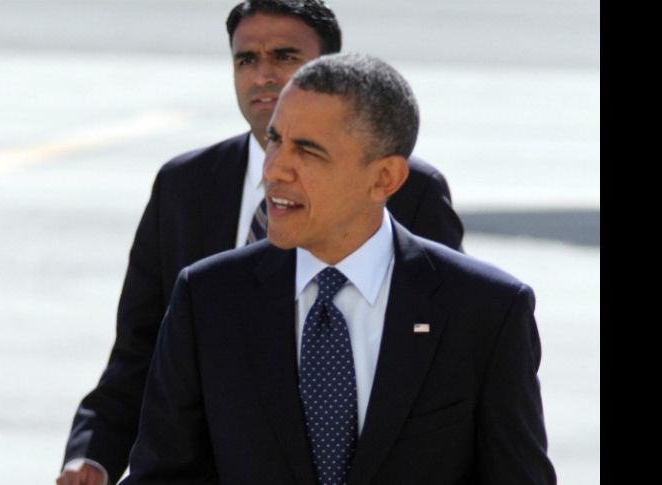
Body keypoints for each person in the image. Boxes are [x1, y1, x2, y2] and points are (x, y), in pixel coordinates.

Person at [58, 1, 464, 484]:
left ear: (329, 69)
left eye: (285, 57)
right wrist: (94, 454)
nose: (263, 75)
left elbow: (446, 351)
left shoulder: (409, 189)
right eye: (246, 59)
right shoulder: (185, 186)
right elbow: (140, 351)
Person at [119, 53, 556, 484]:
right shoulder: (208, 298)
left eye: (308, 151)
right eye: (275, 140)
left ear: (384, 178)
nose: (274, 169)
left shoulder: (486, 312)